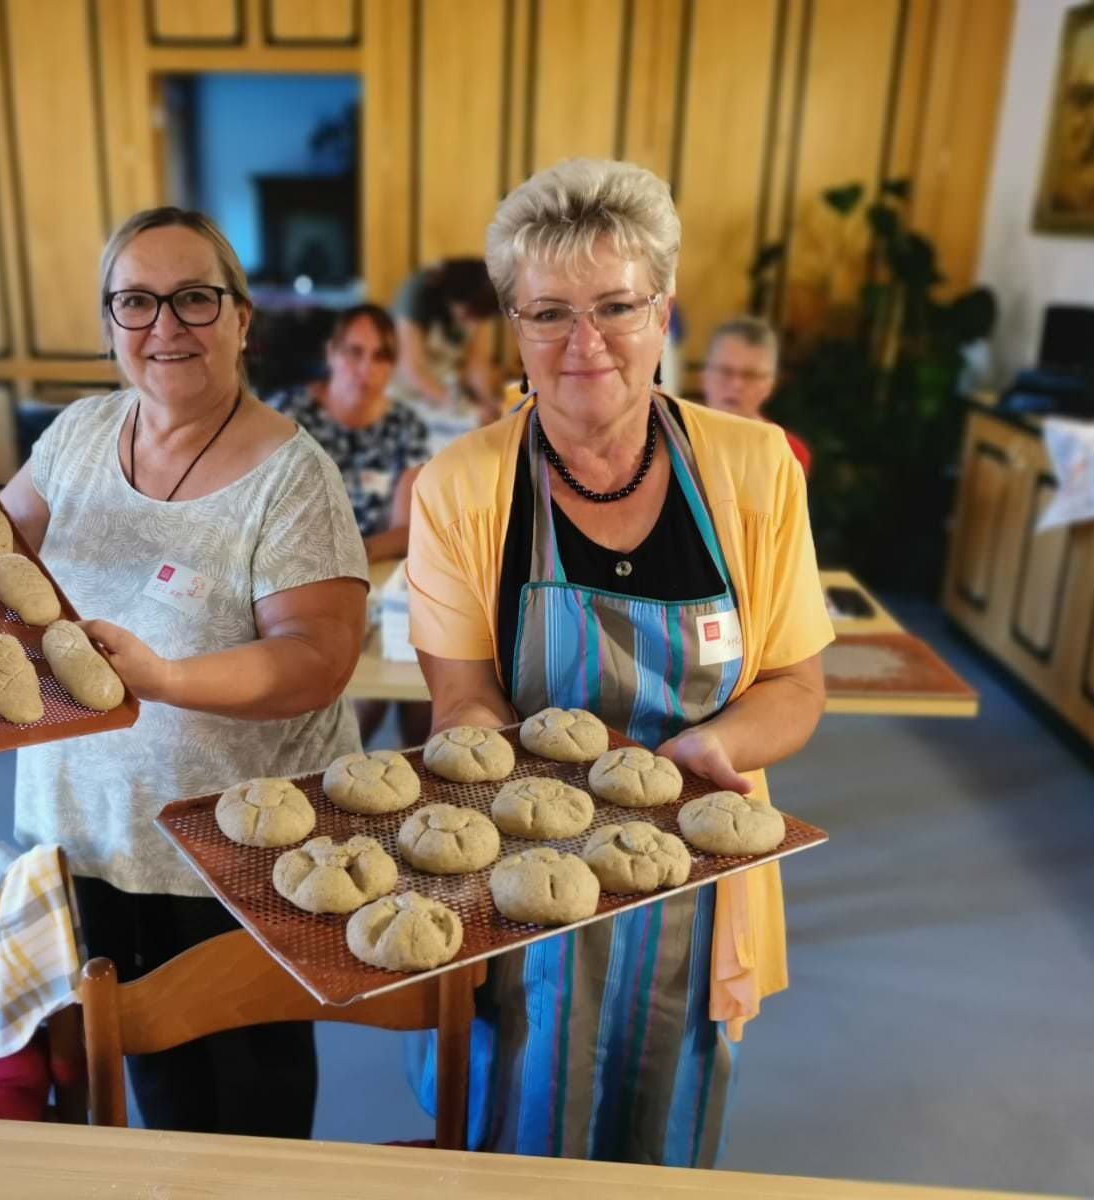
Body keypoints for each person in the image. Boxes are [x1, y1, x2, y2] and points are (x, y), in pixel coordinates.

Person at [0, 206, 368, 1139]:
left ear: (242, 318)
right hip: (87, 826)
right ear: (110, 324)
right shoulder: (83, 433)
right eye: (135, 302)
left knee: (255, 1098)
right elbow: (1, 545)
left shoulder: (295, 478)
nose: (165, 327)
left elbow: (318, 660)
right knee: (148, 1068)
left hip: (231, 847)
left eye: (193, 299)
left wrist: (167, 678)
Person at [404, 159, 832, 1165]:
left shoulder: (751, 467)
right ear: (512, 326)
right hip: (516, 869)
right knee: (511, 1110)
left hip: (694, 867)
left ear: (665, 315)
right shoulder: (461, 488)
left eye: (615, 307)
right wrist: (485, 774)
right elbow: (461, 698)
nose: (583, 343)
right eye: (547, 311)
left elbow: (796, 685)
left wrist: (708, 745)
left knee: (661, 1134)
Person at [267, 304, 428, 563]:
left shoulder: (406, 427)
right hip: (287, 568)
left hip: (370, 571)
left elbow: (406, 529)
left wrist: (348, 557)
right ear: (331, 353)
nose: (367, 368)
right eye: (355, 352)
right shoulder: (285, 415)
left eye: (381, 356)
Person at [390, 257, 502, 450]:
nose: (471, 323)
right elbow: (412, 369)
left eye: (478, 317)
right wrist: (461, 406)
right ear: (451, 298)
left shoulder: (481, 303)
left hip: (445, 386)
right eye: (468, 314)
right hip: (406, 389)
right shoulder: (417, 295)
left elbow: (477, 363)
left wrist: (488, 401)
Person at [699, 316, 812, 476]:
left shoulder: (789, 454)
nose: (736, 384)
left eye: (750, 375)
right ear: (705, 375)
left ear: (770, 384)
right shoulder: (670, 439)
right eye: (725, 371)